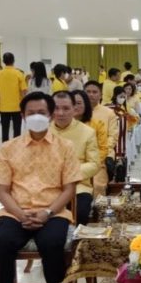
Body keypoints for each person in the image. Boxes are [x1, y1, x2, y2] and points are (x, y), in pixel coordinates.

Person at [0, 91, 82, 283]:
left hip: (53, 211)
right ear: (22, 116)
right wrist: (21, 214)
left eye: (41, 112)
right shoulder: (8, 148)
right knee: (3, 243)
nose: (36, 117)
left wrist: (47, 213)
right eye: (30, 113)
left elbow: (69, 189)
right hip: (16, 212)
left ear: (51, 115)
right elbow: (3, 191)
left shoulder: (65, 147)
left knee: (52, 243)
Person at [50, 91, 100, 226]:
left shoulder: (87, 132)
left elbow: (94, 164)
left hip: (78, 185)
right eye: (56, 108)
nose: (60, 113)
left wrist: (68, 174)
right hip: (48, 186)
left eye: (66, 108)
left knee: (80, 211)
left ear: (74, 109)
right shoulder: (43, 132)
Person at [0, 52, 27, 142]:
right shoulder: (19, 73)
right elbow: (24, 91)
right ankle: (16, 147)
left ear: (3, 61)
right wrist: (24, 105)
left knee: (4, 130)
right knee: (17, 130)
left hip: (3, 107)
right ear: (13, 60)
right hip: (17, 106)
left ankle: (5, 147)